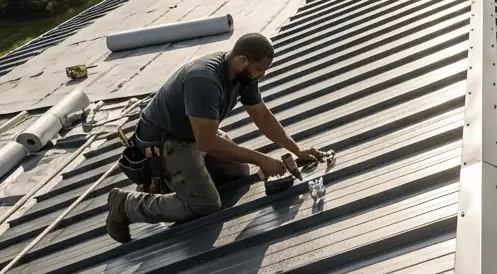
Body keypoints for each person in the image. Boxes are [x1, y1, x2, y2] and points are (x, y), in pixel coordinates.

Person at [106, 33, 330, 243]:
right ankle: (126, 205)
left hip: (194, 135)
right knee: (205, 204)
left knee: (238, 172)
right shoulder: (204, 79)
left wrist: (297, 149)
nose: (262, 75)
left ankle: (182, 180)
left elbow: (262, 116)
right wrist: (262, 160)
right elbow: (208, 142)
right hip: (166, 143)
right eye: (259, 69)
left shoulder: (243, 76)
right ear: (243, 60)